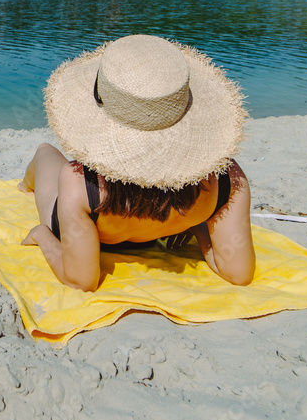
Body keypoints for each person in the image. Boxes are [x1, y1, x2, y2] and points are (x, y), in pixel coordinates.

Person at [19, 34, 255, 291]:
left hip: (94, 229)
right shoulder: (227, 177)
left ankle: (24, 185)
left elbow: (81, 281)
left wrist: (41, 235)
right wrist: (199, 226)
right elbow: (238, 274)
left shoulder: (78, 182)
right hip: (167, 224)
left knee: (45, 152)